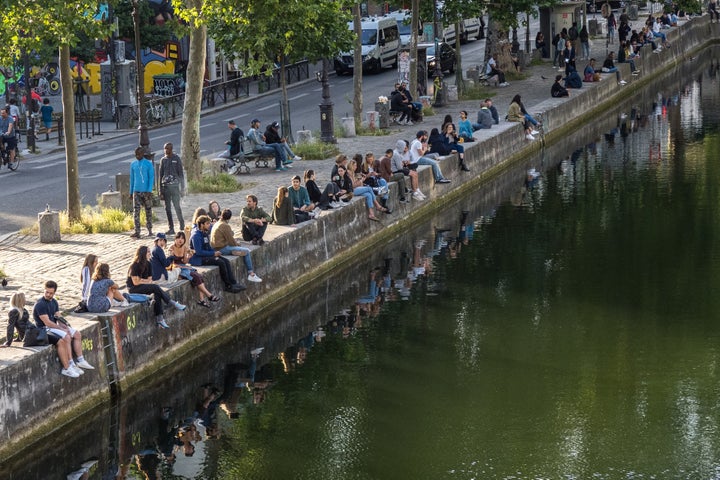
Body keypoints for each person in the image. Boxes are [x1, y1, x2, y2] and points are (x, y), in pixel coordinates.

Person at [33, 280, 95, 378]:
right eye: (46, 292)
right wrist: (62, 330)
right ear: (44, 290)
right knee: (66, 336)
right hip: (44, 329)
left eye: (51, 293)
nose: (48, 294)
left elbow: (58, 316)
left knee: (77, 334)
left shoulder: (54, 302)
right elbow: (47, 322)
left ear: (54, 293)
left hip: (53, 327)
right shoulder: (40, 304)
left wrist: (65, 325)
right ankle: (70, 364)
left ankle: (81, 360)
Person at [127, 246, 187, 328]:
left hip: (144, 286)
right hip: (134, 289)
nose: (150, 254)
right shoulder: (134, 265)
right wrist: (144, 281)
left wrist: (142, 280)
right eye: (148, 252)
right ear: (142, 253)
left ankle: (160, 319)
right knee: (155, 287)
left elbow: (150, 279)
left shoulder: (148, 264)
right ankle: (172, 302)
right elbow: (136, 282)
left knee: (157, 293)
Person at [189, 215, 246, 292]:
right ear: (201, 225)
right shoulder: (196, 236)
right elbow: (199, 252)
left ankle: (233, 283)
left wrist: (215, 252)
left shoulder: (204, 233)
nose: (209, 225)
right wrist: (213, 254)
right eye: (207, 224)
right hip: (199, 259)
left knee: (226, 261)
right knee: (220, 262)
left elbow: (208, 247)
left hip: (206, 255)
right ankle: (228, 286)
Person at [168, 231, 219, 307]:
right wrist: (182, 266)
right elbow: (170, 264)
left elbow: (185, 262)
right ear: (175, 239)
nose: (180, 240)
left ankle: (202, 299)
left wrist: (188, 257)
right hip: (176, 269)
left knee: (199, 276)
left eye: (182, 238)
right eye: (178, 238)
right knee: (194, 276)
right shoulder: (171, 248)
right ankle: (209, 295)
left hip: (183, 267)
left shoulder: (184, 247)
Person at [210, 209, 263, 283]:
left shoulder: (217, 223)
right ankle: (251, 274)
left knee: (243, 250)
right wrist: (238, 244)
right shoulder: (225, 226)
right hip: (222, 248)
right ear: (229, 218)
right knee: (246, 251)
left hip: (216, 247)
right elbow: (231, 241)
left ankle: (250, 272)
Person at [159, 142, 185, 235]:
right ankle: (171, 228)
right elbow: (160, 175)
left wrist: (182, 188)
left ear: (171, 149)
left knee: (177, 206)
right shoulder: (163, 160)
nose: (166, 150)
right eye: (165, 149)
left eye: (168, 149)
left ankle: (182, 224)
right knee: (168, 209)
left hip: (174, 187)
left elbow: (181, 174)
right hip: (166, 187)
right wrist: (160, 190)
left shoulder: (176, 159)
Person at [129, 146, 154, 239]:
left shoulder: (148, 164)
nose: (137, 156)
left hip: (146, 191)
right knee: (136, 211)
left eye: (139, 154)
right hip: (136, 190)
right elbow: (132, 178)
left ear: (143, 154)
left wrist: (149, 190)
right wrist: (131, 192)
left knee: (148, 210)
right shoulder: (133, 164)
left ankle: (150, 229)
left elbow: (151, 177)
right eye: (136, 154)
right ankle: (137, 231)